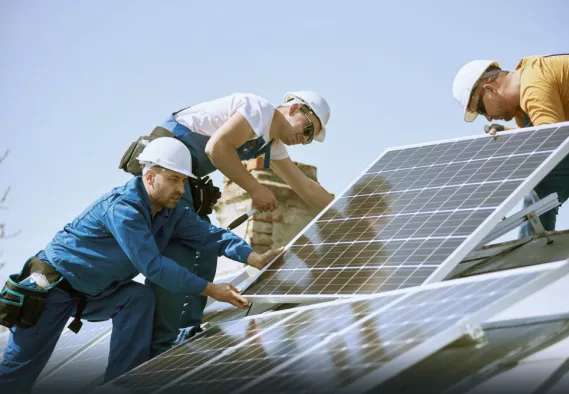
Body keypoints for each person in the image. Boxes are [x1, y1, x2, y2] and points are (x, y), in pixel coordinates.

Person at [0, 137, 282, 392]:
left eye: (183, 181)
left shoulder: (171, 213)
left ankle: (121, 384)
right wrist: (210, 289)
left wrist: (252, 257)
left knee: (138, 298)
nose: (180, 189)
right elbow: (154, 267)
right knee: (18, 374)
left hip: (95, 294)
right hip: (52, 288)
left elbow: (210, 234)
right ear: (149, 176)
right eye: (173, 179)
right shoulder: (124, 209)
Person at [120, 91, 335, 355]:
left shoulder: (272, 143)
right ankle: (161, 344)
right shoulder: (258, 110)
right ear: (294, 108)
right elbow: (216, 148)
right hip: (167, 169)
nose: (304, 140)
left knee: (206, 251)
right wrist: (255, 188)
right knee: (181, 253)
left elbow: (305, 187)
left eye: (310, 138)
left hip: (186, 176)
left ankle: (186, 332)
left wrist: (350, 207)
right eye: (308, 129)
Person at [452, 54, 569, 237]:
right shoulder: (522, 110)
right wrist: (511, 138)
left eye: (481, 109)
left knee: (541, 174)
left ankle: (534, 252)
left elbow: (553, 141)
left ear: (490, 89)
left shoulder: (533, 83)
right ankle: (535, 252)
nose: (489, 118)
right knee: (542, 184)